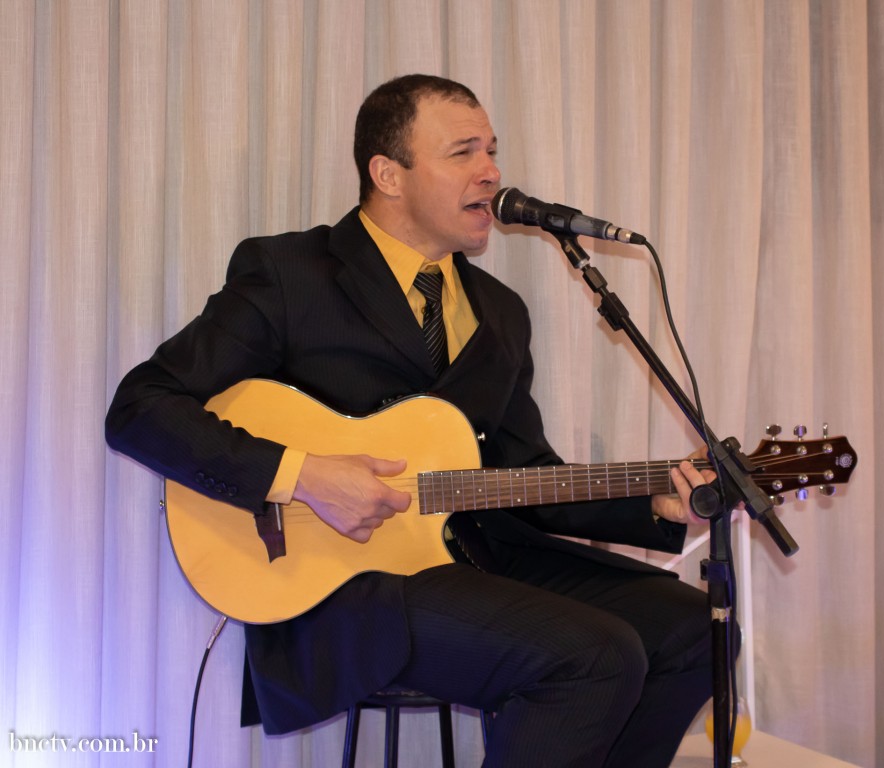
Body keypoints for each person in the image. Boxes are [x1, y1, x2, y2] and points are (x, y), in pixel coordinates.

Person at [105, 74, 720, 768]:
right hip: (345, 588)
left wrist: (655, 503)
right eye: (464, 152)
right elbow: (142, 406)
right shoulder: (291, 274)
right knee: (596, 656)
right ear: (388, 174)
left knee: (694, 630)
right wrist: (303, 476)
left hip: (477, 561)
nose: (491, 172)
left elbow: (524, 478)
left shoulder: (500, 311)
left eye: (492, 151)